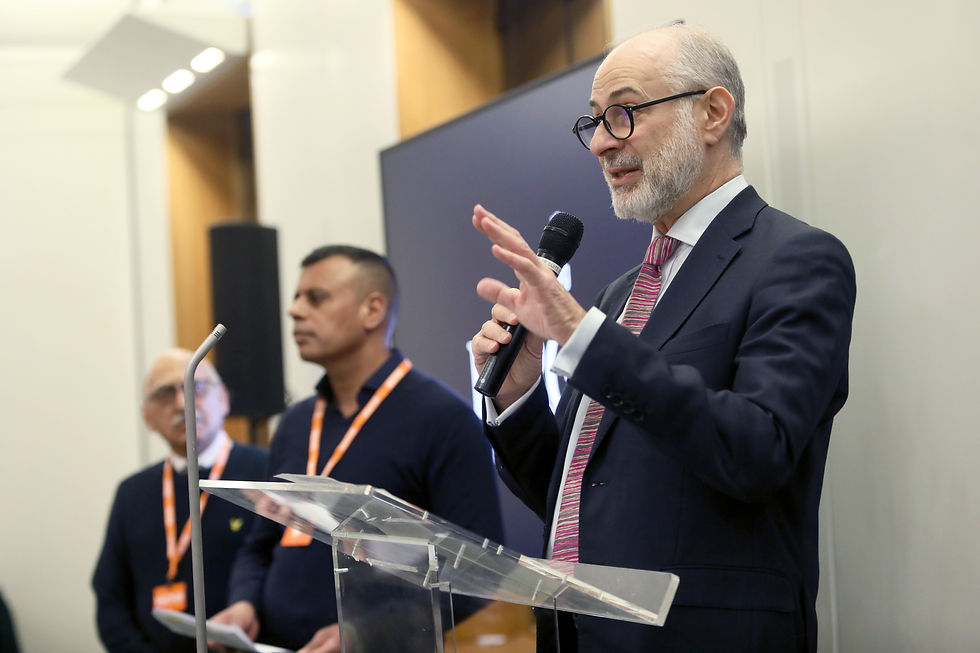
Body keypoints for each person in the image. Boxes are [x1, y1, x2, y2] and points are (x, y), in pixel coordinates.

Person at [470, 24, 856, 653]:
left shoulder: (796, 260)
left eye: (623, 113)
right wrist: (518, 398)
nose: (601, 142)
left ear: (712, 113)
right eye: (594, 121)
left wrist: (581, 336)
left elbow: (756, 450)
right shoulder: (621, 293)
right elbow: (582, 497)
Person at [213, 245, 503, 652]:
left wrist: (364, 632)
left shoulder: (443, 420)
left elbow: (477, 576)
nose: (294, 311)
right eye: (296, 298)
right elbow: (260, 543)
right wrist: (243, 601)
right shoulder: (295, 424)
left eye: (315, 298)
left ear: (372, 310)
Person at [92, 349, 269, 652]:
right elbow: (110, 599)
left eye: (196, 387)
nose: (181, 402)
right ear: (147, 417)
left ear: (224, 399)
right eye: (165, 394)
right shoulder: (131, 493)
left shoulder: (265, 474)